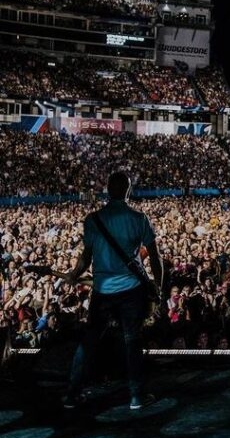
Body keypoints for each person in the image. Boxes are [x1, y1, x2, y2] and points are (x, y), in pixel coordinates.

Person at [63, 172, 164, 411]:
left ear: (107, 190)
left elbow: (86, 257)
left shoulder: (93, 220)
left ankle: (71, 394)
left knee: (88, 342)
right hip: (131, 289)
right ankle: (136, 396)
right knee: (132, 341)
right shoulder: (139, 219)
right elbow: (156, 257)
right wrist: (158, 286)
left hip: (102, 290)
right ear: (128, 191)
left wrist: (73, 275)